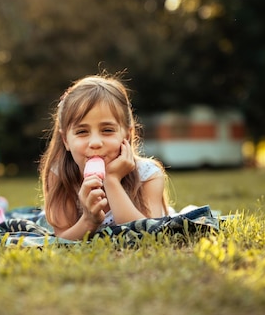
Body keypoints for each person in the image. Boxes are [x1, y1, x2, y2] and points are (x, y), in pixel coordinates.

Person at [39, 73, 171, 240]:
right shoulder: (60, 175)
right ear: (65, 140)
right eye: (82, 132)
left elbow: (147, 236)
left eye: (107, 130)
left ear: (127, 135)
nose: (95, 142)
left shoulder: (149, 175)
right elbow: (62, 239)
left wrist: (111, 180)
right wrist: (89, 220)